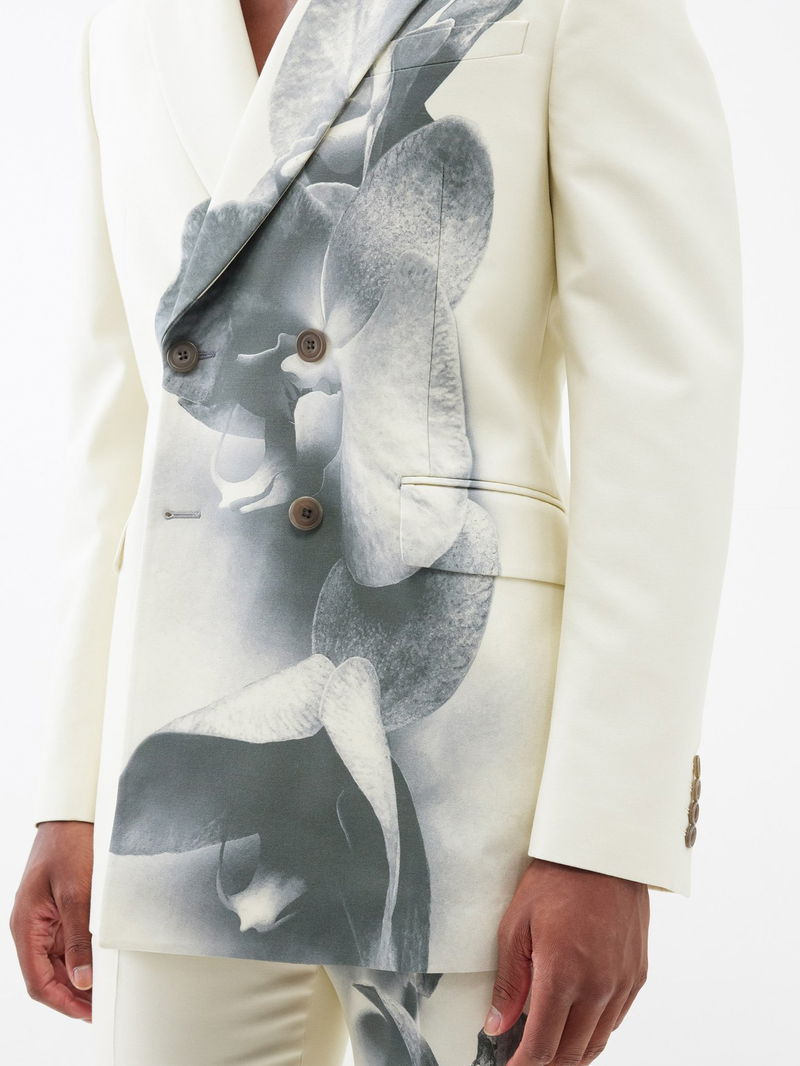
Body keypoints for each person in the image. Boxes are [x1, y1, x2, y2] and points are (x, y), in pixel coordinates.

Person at [9, 1, 742, 1063]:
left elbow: (660, 417)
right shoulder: (124, 21)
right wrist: (72, 794)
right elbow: (111, 436)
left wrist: (606, 829)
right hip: (190, 751)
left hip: (465, 755)